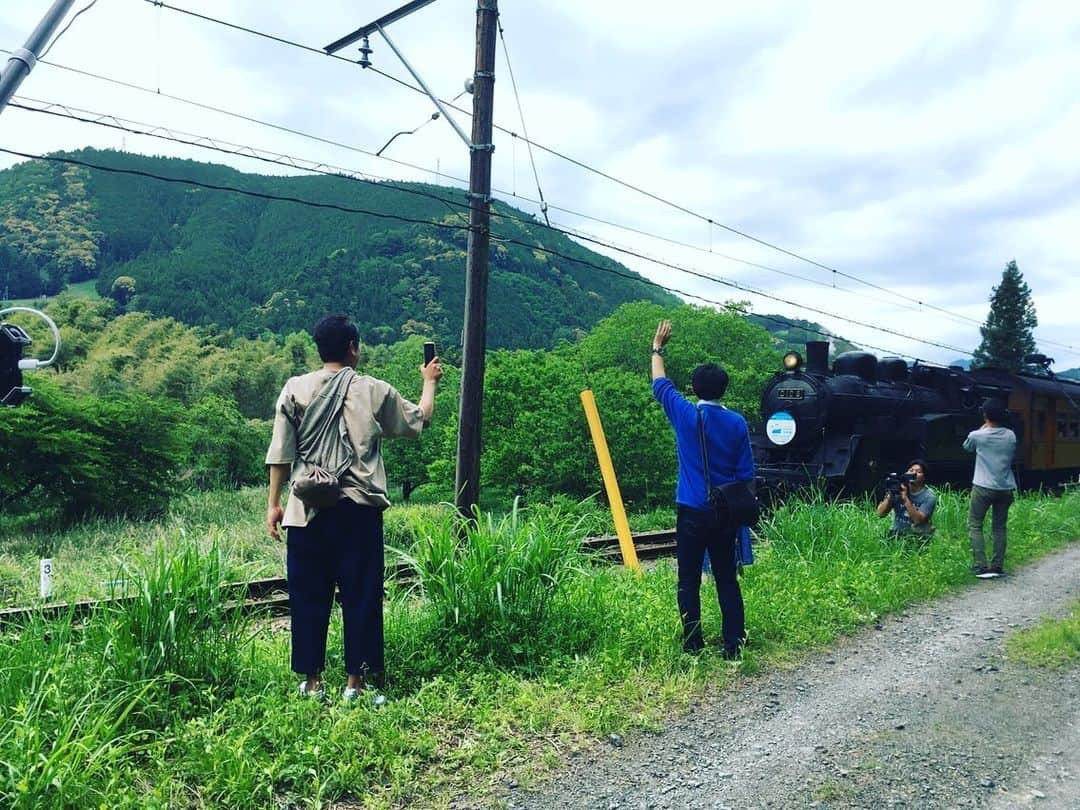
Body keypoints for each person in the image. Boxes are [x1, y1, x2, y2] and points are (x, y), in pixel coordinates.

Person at [265, 314, 443, 702]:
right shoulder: (372, 390)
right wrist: (429, 381)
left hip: (305, 509)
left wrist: (274, 504)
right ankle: (355, 686)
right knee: (361, 596)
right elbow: (421, 420)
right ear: (352, 348)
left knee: (308, 597)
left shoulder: (295, 387)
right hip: (357, 510)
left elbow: (281, 452)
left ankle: (312, 683)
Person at [651, 319, 754, 658]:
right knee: (726, 579)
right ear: (723, 389)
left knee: (688, 579)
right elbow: (745, 474)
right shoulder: (737, 423)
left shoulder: (686, 415)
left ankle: (693, 643)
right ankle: (733, 645)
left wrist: (658, 347)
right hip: (725, 513)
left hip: (692, 511)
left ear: (694, 390)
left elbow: (660, 384)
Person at [964, 398, 1017, 579]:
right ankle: (997, 565)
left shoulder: (977, 435)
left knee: (975, 524)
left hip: (983, 486)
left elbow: (967, 447)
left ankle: (980, 565)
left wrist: (983, 427)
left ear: (985, 415)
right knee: (999, 527)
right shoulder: (1011, 435)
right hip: (1006, 487)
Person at [875, 459, 937, 539]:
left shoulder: (929, 496)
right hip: (896, 534)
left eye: (918, 472)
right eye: (911, 470)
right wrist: (891, 494)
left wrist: (905, 498)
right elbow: (880, 514)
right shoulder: (899, 487)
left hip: (917, 537)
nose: (913, 473)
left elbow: (918, 520)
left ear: (924, 477)